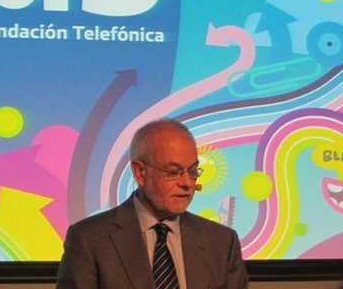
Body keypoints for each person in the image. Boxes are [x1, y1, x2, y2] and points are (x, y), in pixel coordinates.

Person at [56, 118, 248, 289]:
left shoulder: (221, 242)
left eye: (192, 171)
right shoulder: (89, 240)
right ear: (140, 173)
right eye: (173, 172)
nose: (187, 183)